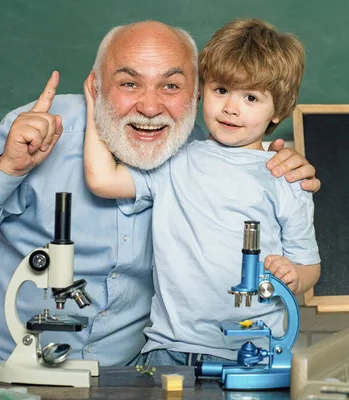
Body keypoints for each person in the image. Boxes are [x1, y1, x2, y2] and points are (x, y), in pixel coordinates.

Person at [0, 20, 320, 366]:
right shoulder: (38, 133)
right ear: (97, 85)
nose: (149, 106)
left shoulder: (198, 152)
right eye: (129, 83)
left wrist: (283, 169)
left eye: (171, 86)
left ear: (194, 91)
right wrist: (7, 169)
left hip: (123, 375)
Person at [83, 18, 320, 366]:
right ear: (200, 91)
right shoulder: (172, 161)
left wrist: (294, 276)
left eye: (251, 97)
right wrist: (95, 104)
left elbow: (309, 267)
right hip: (169, 349)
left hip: (253, 353)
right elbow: (102, 180)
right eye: (221, 90)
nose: (231, 108)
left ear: (279, 110)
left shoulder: (284, 176)